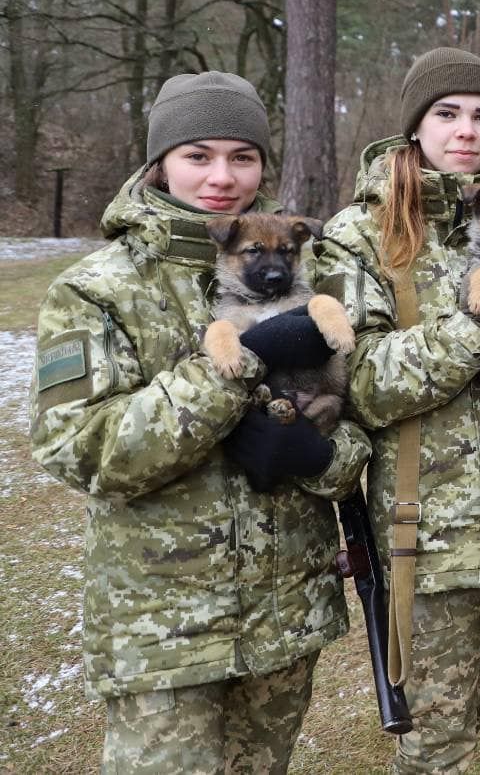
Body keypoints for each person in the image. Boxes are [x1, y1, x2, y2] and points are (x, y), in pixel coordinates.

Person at [30, 72, 370, 774]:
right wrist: (236, 369)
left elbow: (362, 416)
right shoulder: (96, 287)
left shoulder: (313, 269)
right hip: (163, 628)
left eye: (242, 157)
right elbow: (80, 449)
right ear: (160, 161)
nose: (222, 176)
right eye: (198, 155)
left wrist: (319, 456)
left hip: (284, 615)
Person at [318, 48, 480, 774]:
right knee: (435, 743)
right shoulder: (358, 233)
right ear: (415, 124)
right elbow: (359, 383)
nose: (467, 130)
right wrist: (475, 330)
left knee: (474, 710)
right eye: (447, 113)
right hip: (423, 534)